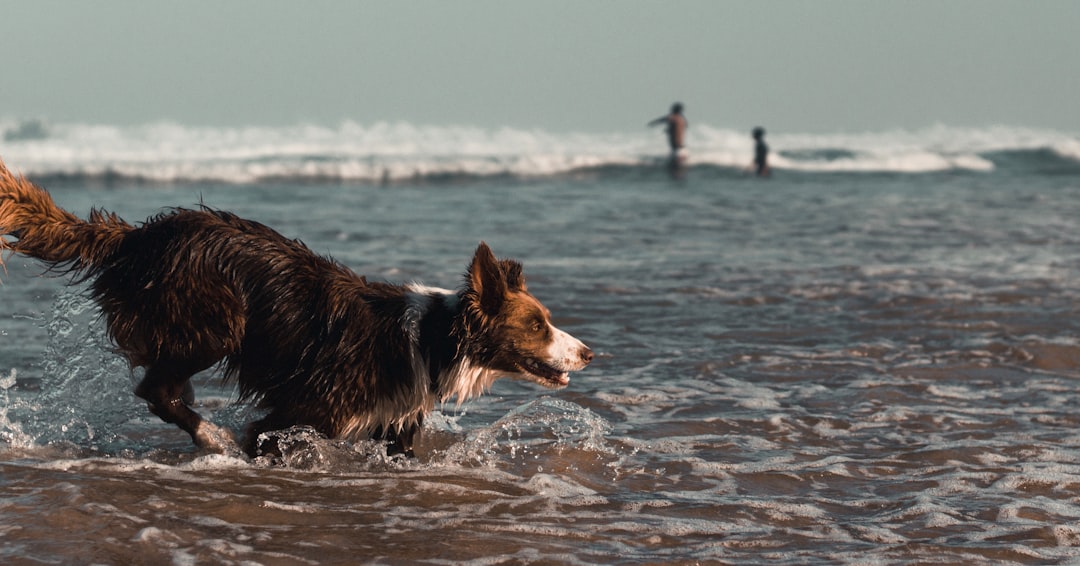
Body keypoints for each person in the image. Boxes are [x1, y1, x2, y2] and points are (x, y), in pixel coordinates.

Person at [648, 103, 688, 167]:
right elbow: (678, 130)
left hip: (677, 151)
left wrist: (652, 123)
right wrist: (669, 130)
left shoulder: (674, 117)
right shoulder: (682, 120)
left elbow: (664, 119)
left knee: (676, 171)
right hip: (682, 149)